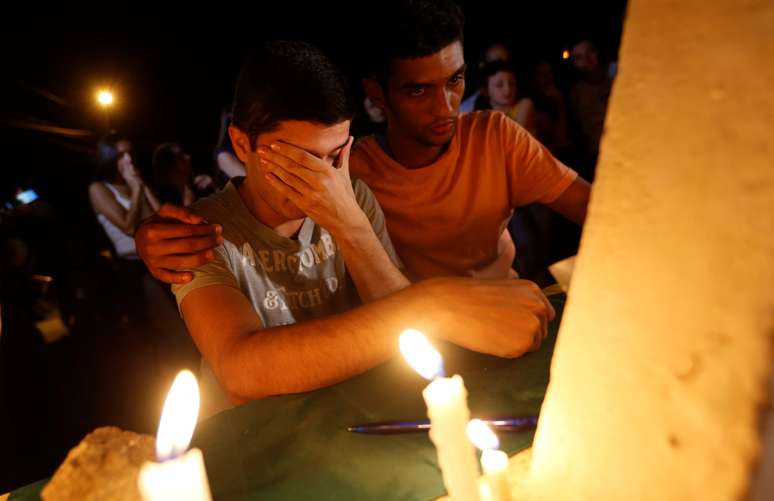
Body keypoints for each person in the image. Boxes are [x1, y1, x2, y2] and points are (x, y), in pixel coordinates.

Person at [156, 41, 554, 416]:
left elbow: (402, 320)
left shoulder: (354, 196)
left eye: (333, 156)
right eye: (299, 161)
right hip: (253, 436)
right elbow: (240, 370)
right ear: (243, 146)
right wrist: (432, 302)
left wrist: (348, 222)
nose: (323, 180)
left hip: (346, 414)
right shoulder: (201, 228)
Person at [135, 0, 590, 283]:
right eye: (418, 90)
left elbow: (596, 211)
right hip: (414, 344)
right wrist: (152, 237)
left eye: (455, 81)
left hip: (504, 310)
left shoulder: (495, 137)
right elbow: (251, 209)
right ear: (378, 95)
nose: (446, 106)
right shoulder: (350, 169)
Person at [89, 133, 160, 259]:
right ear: (109, 158)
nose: (129, 159)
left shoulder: (135, 183)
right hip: (132, 263)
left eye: (130, 153)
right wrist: (137, 190)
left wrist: (141, 184)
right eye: (121, 155)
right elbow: (130, 228)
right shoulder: (99, 188)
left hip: (158, 255)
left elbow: (163, 217)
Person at [474, 60, 537, 135]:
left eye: (512, 84)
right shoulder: (481, 113)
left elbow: (517, 137)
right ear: (486, 89)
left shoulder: (525, 104)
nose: (507, 90)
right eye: (499, 85)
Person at [152, 142, 215, 207]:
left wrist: (214, 188)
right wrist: (189, 204)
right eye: (180, 157)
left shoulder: (200, 188)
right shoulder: (164, 205)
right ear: (171, 169)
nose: (188, 157)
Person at [459, 41, 511, 113]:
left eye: (506, 64)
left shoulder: (523, 104)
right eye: (494, 64)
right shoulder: (467, 110)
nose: (503, 69)